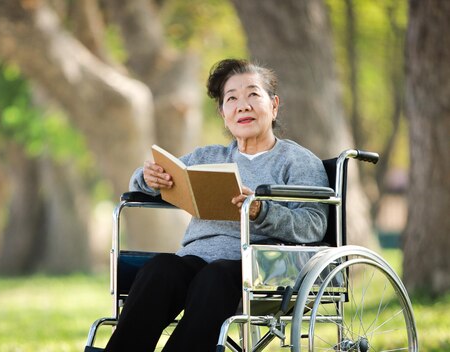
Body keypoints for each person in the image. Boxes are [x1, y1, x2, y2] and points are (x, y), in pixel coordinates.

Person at [104, 59, 329, 352]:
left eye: (253, 95)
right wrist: (148, 178)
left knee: (214, 277)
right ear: (223, 113)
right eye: (231, 98)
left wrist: (261, 212)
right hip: (196, 257)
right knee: (160, 269)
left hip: (258, 266)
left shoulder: (298, 161)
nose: (242, 105)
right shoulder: (207, 157)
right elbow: (145, 182)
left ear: (273, 106)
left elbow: (314, 224)